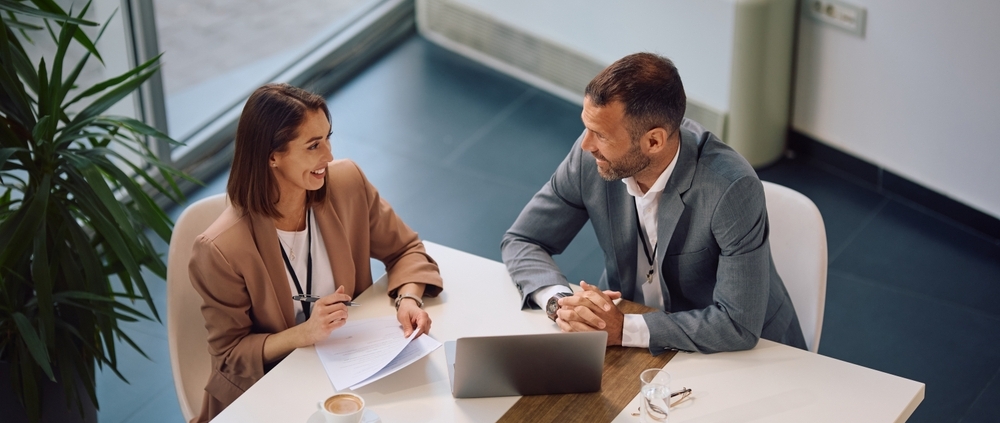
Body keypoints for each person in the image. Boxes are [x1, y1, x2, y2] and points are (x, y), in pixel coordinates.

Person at [501, 53, 806, 355]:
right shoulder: (590, 158)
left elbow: (737, 325)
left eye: (601, 135)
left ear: (654, 142)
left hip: (739, 351)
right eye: (587, 127)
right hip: (632, 336)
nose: (586, 145)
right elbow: (523, 240)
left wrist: (624, 329)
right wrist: (561, 304)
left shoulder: (730, 188)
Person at [188, 83, 443, 422]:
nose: (329, 156)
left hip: (353, 373)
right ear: (272, 156)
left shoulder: (347, 184)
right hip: (273, 389)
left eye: (327, 138)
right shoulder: (220, 249)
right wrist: (304, 333)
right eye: (313, 146)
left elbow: (406, 249)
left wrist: (408, 300)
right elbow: (230, 355)